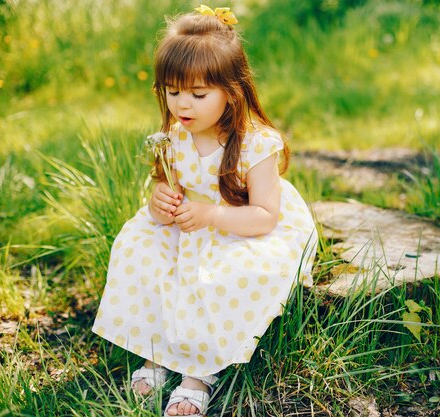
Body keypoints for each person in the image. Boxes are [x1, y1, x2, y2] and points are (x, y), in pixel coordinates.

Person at [92, 5, 317, 416]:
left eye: (198, 94)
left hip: (241, 225)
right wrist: (159, 204)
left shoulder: (256, 144)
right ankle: (156, 352)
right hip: (190, 224)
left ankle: (199, 372)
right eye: (172, 92)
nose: (183, 105)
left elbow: (265, 215)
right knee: (141, 251)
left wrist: (212, 216)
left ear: (231, 91)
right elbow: (168, 190)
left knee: (220, 276)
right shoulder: (176, 138)